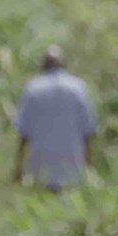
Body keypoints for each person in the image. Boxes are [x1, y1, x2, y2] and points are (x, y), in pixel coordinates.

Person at [13, 45, 95, 191]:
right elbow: (87, 129)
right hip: (71, 161)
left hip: (41, 162)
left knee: (42, 204)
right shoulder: (78, 87)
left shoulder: (32, 88)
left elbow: (24, 132)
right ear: (64, 65)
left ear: (43, 65)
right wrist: (88, 163)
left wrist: (19, 166)